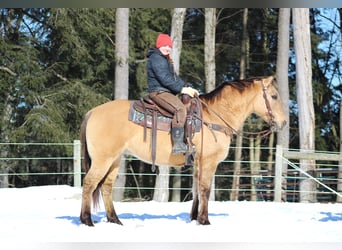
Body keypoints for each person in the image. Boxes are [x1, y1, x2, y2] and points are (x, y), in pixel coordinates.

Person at [146, 33, 199, 154]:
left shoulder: (165, 59)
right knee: (180, 109)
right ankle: (178, 144)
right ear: (158, 45)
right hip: (158, 92)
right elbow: (164, 78)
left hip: (165, 91)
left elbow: (174, 78)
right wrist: (182, 90)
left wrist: (187, 86)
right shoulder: (156, 58)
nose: (167, 48)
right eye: (164, 45)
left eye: (169, 46)